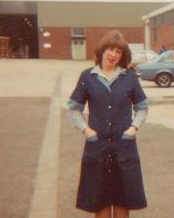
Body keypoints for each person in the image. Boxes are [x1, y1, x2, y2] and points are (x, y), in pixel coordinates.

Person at [68, 30, 149, 218]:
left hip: (124, 148)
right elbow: (74, 108)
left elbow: (142, 107)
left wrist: (133, 128)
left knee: (122, 202)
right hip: (98, 149)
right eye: (111, 49)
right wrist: (86, 130)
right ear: (102, 50)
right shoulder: (88, 76)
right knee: (101, 202)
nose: (114, 55)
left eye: (119, 52)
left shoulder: (129, 77)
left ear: (123, 56)